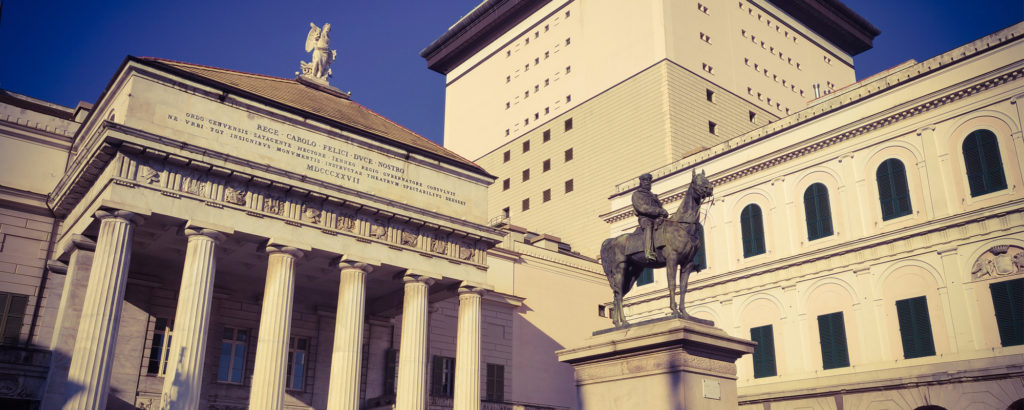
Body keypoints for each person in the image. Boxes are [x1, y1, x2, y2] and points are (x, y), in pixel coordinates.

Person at [632, 173, 668, 261]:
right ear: (641, 182)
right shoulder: (637, 194)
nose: (647, 182)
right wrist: (659, 211)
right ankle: (649, 252)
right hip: (645, 218)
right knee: (648, 225)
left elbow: (660, 207)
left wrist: (663, 212)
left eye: (649, 181)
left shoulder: (653, 196)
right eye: (645, 181)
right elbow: (642, 208)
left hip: (657, 218)